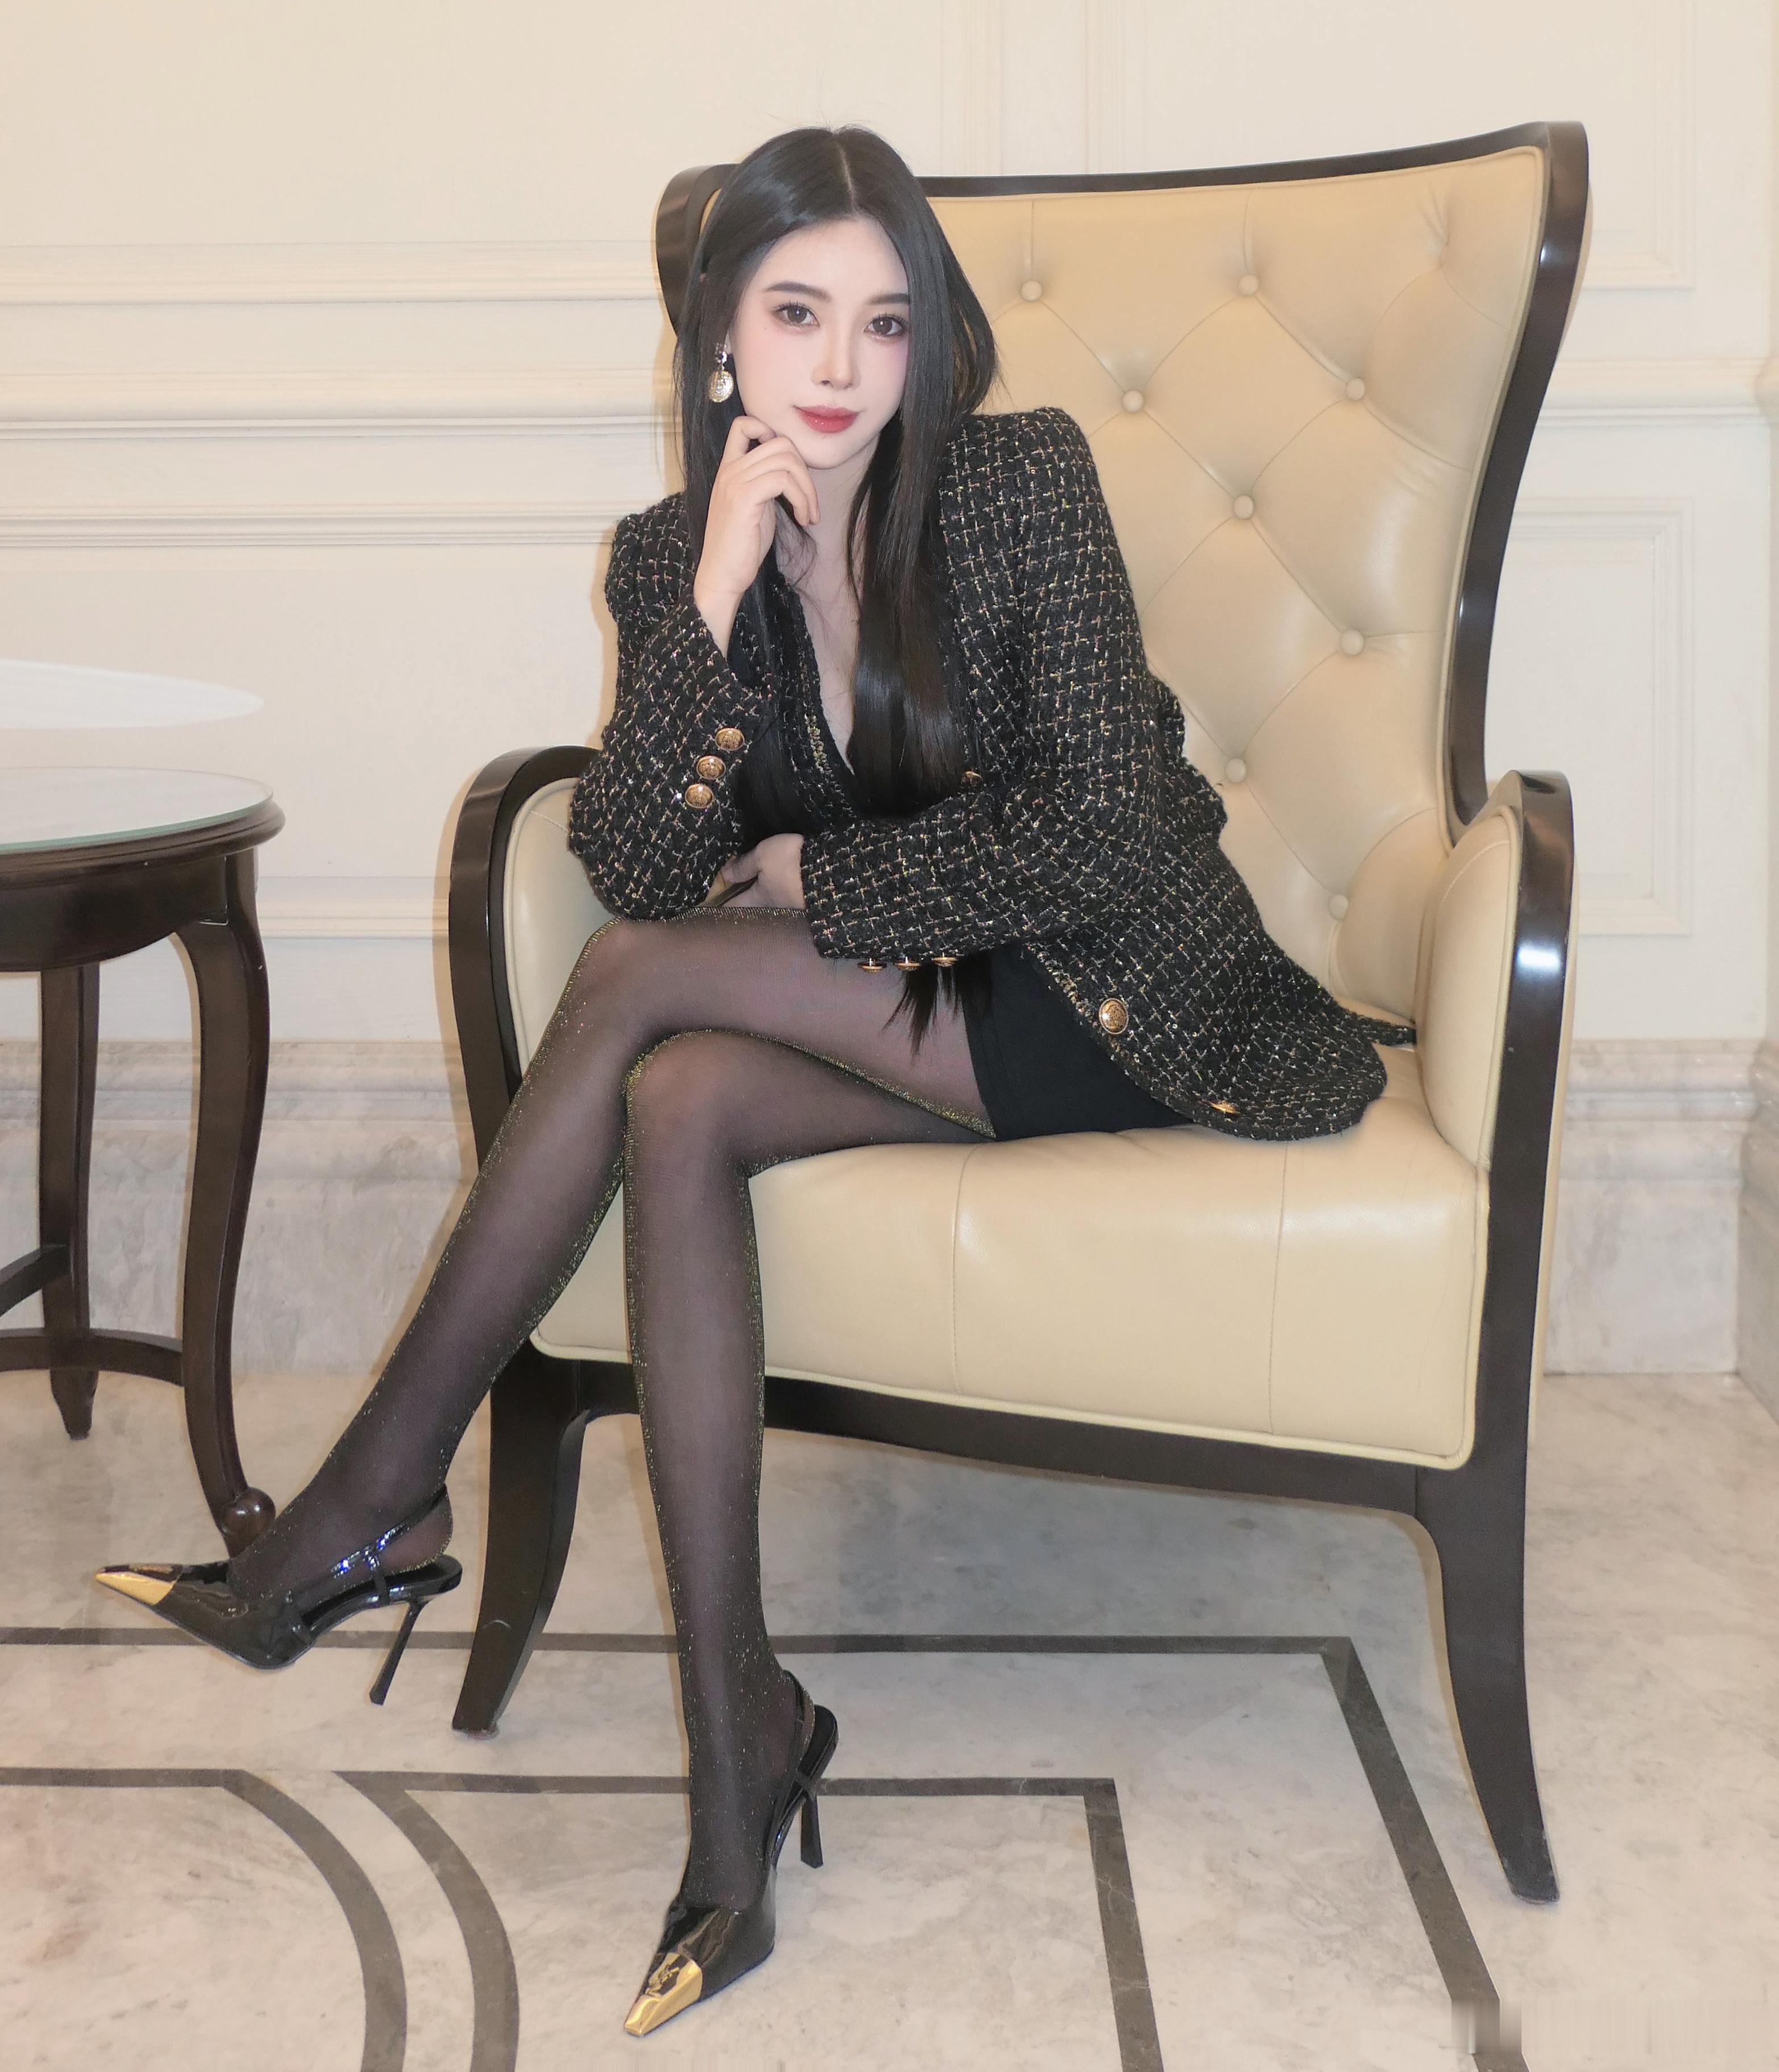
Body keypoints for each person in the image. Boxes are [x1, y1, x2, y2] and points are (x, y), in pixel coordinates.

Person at [97, 123, 1405, 2036]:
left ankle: (365, 1511)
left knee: (642, 989)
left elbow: (1108, 829)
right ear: (721, 336)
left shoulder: (1019, 481)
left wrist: (823, 878)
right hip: (917, 1001)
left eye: (885, 321)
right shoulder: (667, 556)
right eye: (797, 313)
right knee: (679, 1096)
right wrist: (713, 596)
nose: (842, 365)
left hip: (1117, 994)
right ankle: (742, 1755)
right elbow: (637, 857)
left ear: (928, 341)